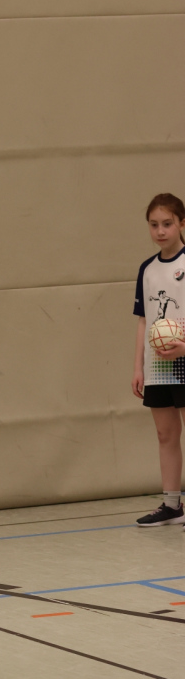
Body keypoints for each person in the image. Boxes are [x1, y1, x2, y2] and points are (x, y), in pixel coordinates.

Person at [132, 193, 185, 526]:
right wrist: (138, 366)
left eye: (167, 223)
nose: (160, 231)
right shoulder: (147, 269)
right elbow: (143, 320)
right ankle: (172, 505)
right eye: (154, 225)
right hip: (158, 365)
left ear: (182, 224)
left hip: (184, 358)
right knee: (166, 434)